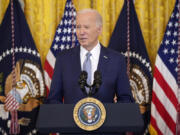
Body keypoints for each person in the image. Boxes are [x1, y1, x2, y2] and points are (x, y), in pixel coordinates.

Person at [46, 9, 134, 104]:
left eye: (86, 27)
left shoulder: (116, 60)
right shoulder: (63, 59)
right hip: (70, 118)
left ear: (99, 29)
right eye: (78, 27)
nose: (81, 32)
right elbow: (53, 99)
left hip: (107, 118)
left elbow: (126, 99)